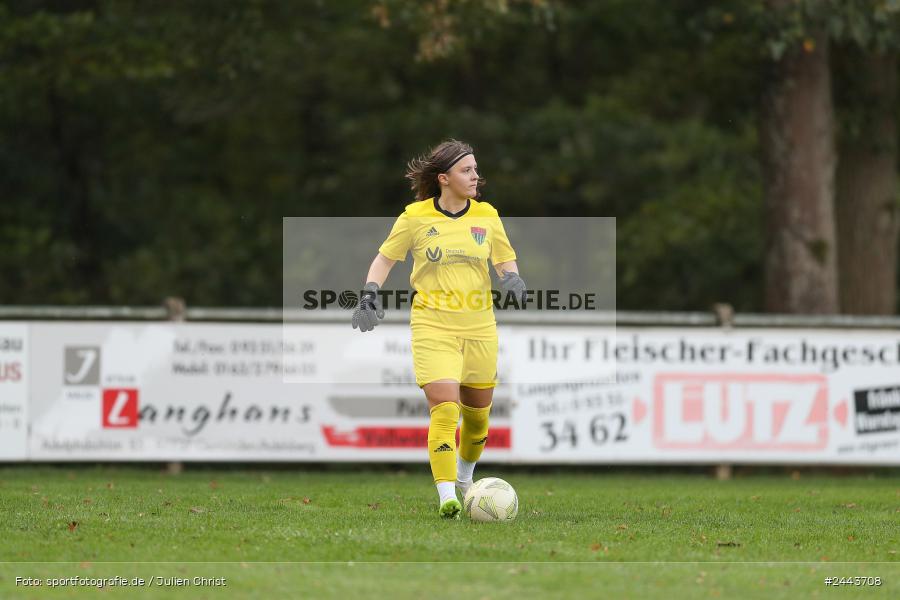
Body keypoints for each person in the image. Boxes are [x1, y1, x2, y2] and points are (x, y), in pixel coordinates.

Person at [352, 139, 526, 519]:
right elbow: (384, 260)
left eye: (476, 169)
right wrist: (369, 295)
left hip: (480, 328)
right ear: (444, 178)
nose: (476, 176)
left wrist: (512, 279)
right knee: (445, 409)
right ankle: (447, 494)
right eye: (467, 170)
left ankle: (465, 481)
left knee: (478, 417)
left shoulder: (487, 215)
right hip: (433, 326)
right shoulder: (415, 217)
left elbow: (505, 262)